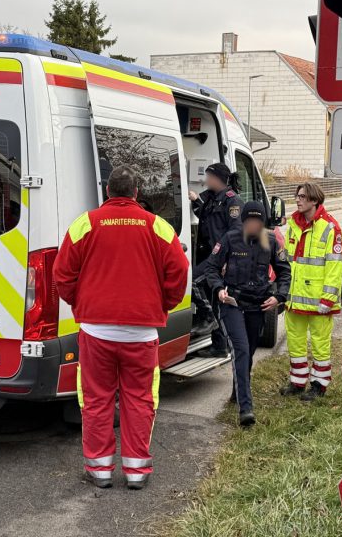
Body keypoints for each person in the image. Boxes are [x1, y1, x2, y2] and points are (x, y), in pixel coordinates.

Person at [54, 166, 188, 491]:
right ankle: (136, 472)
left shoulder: (85, 224)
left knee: (97, 399)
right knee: (139, 399)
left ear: (108, 192)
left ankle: (98, 471)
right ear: (136, 193)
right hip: (141, 334)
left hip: (96, 333)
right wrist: (162, 305)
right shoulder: (158, 227)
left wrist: (82, 304)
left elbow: (62, 275)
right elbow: (180, 273)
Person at [204, 201, 290, 426]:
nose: (253, 224)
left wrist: (279, 296)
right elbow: (211, 268)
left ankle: (237, 389)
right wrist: (218, 289)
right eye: (250, 220)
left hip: (257, 306)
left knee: (248, 352)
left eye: (258, 221)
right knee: (241, 349)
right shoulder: (230, 239)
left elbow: (284, 272)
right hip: (232, 303)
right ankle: (246, 408)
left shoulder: (270, 241)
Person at [281, 182, 342, 402]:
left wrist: (328, 298)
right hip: (294, 298)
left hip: (320, 300)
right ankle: (298, 382)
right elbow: (287, 261)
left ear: (314, 200)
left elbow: (335, 266)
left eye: (302, 197)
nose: (297, 200)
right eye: (297, 196)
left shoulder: (331, 228)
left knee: (320, 344)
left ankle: (319, 385)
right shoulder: (293, 224)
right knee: (295, 341)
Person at [188, 163, 244, 357]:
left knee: (192, 281)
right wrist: (196, 200)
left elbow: (236, 232)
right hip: (209, 256)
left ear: (218, 178)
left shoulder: (232, 200)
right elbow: (205, 218)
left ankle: (208, 319)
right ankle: (220, 345)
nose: (206, 180)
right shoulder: (212, 198)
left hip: (220, 259)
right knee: (214, 299)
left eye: (209, 176)